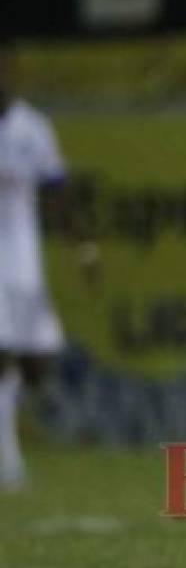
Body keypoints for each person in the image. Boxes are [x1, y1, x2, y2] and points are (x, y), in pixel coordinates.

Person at [0, 35, 96, 490]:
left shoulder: (32, 127)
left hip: (24, 265)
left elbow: (56, 190)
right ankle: (8, 458)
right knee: (3, 355)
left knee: (39, 359)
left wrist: (83, 247)